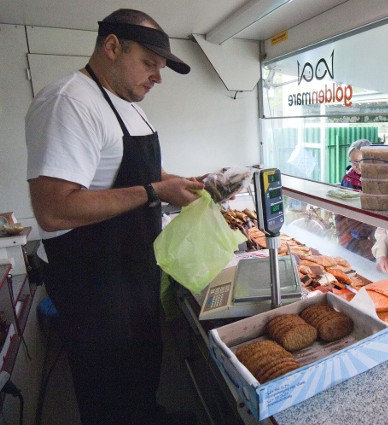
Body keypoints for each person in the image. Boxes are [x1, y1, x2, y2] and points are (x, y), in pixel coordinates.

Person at [25, 9, 202, 424]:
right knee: (109, 388)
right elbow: (53, 209)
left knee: (141, 366)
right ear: (111, 47)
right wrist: (155, 192)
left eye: (160, 68)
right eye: (150, 64)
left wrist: (191, 183)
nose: (157, 77)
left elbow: (133, 170)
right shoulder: (69, 101)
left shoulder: (126, 103)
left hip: (131, 268)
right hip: (93, 282)